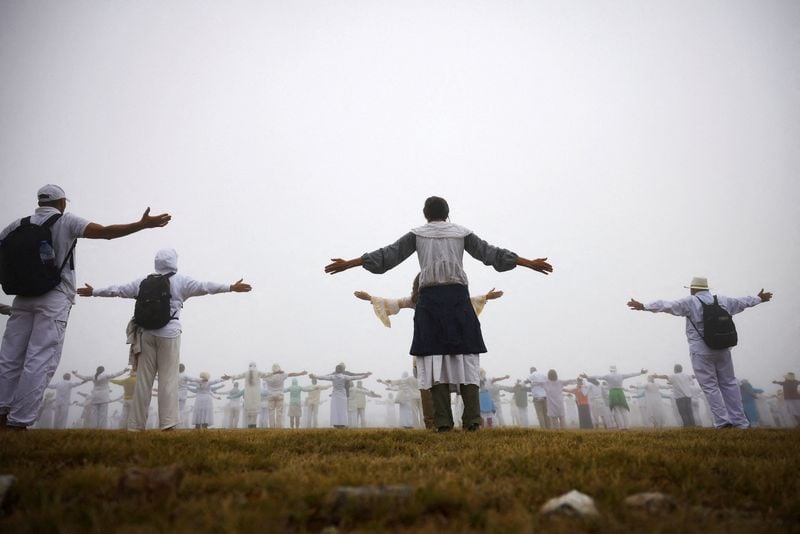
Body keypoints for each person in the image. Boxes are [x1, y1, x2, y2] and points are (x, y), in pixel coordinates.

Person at [326, 196, 553, 432]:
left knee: (435, 361)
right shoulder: (461, 233)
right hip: (457, 299)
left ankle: (444, 422)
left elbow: (387, 256)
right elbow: (492, 253)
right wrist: (528, 262)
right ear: (447, 213)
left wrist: (350, 263)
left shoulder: (419, 234)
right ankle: (472, 421)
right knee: (466, 357)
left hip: (431, 301)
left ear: (425, 214)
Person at [0, 185, 170, 430]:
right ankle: (19, 421)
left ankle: (2, 411)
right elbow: (106, 233)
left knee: (9, 357)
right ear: (61, 202)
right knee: (39, 359)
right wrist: (141, 225)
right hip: (54, 296)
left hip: (22, 297)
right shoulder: (66, 221)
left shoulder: (17, 225)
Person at [77, 248, 252, 431]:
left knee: (143, 381)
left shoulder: (143, 282)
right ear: (174, 261)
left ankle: (135, 426)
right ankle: (167, 424)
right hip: (170, 334)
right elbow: (205, 287)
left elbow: (118, 290)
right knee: (168, 379)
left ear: (157, 263)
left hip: (145, 334)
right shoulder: (181, 281)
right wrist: (230, 287)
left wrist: (94, 291)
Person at [628, 276, 772, 429]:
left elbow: (666, 305)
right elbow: (742, 302)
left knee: (710, 386)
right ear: (707, 288)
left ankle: (722, 421)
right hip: (723, 347)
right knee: (729, 383)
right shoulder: (722, 300)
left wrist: (644, 306)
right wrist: (758, 298)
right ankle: (740, 422)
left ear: (693, 289)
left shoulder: (691, 302)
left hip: (701, 350)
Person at [582, 367, 647, 430]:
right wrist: (640, 373)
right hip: (620, 392)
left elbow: (598, 377)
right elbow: (631, 374)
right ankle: (627, 426)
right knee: (623, 410)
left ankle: (621, 427)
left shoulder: (608, 376)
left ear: (610, 370)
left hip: (613, 392)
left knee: (616, 410)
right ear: (616, 369)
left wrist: (587, 377)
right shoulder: (620, 375)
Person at [224, 363, 270, 428]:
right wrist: (276, 372)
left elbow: (238, 376)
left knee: (249, 412)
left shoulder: (246, 373)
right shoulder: (258, 373)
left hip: (248, 395)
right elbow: (266, 374)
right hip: (256, 395)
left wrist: (229, 377)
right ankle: (254, 425)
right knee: (255, 412)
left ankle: (250, 425)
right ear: (255, 366)